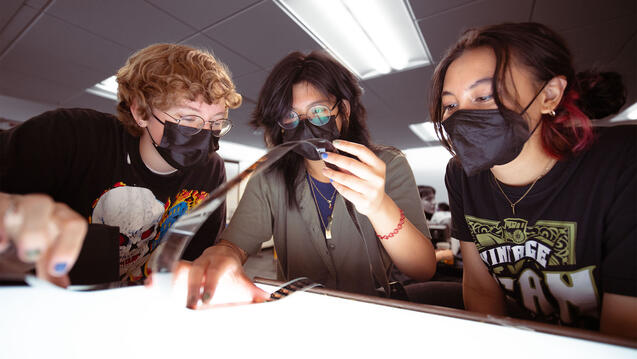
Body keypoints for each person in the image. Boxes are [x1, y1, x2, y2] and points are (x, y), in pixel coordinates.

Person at [429, 22, 635, 338]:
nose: (461, 116)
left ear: (549, 95)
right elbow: (481, 288)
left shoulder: (621, 160)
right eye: (450, 105)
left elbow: (624, 332)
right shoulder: (461, 175)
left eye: (483, 96)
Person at [184, 51, 436, 308]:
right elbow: (234, 245)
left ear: (344, 110)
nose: (305, 125)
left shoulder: (388, 166)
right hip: (299, 311)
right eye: (291, 116)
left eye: (318, 111)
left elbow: (422, 268)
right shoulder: (269, 178)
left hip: (372, 310)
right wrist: (224, 256)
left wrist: (380, 206)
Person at [0, 43, 241, 285]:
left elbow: (194, 258)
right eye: (189, 118)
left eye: (217, 122)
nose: (206, 133)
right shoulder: (69, 135)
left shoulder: (211, 171)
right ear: (140, 112)